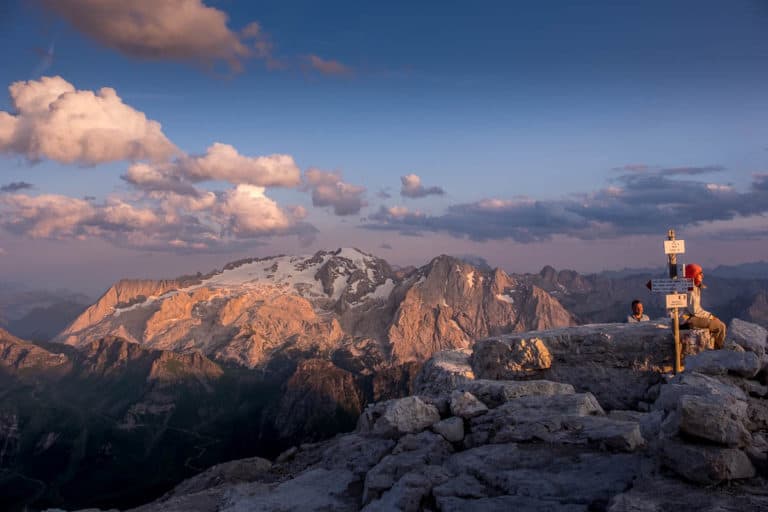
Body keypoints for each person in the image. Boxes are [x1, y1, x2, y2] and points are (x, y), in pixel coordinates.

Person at [681, 263, 726, 349]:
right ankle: (719, 349)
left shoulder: (692, 286)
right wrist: (710, 316)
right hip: (687, 319)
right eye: (699, 273)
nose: (702, 276)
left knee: (718, 324)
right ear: (693, 275)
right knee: (720, 326)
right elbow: (695, 311)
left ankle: (716, 347)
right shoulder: (690, 288)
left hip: (688, 317)